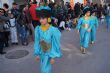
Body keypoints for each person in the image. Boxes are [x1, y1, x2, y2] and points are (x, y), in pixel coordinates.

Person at [34, 6, 62, 73]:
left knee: (45, 70)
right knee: (43, 68)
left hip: (49, 53)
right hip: (42, 52)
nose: (41, 20)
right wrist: (37, 53)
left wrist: (53, 56)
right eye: (40, 18)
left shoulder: (53, 30)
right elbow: (37, 41)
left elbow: (55, 43)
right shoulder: (38, 29)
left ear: (48, 18)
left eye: (43, 18)